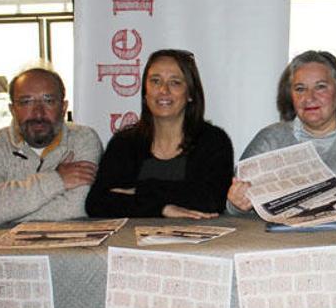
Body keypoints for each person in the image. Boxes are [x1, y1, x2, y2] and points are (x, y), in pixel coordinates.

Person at [227, 50, 336, 220]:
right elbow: (233, 206)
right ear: (290, 95)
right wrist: (236, 203)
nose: (309, 97)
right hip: (286, 245)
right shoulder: (269, 139)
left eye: (320, 87)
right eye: (300, 89)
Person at [86, 49, 233, 218]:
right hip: (130, 242)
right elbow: (97, 203)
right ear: (145, 92)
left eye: (175, 82)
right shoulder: (124, 143)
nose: (163, 90)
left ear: (191, 93)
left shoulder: (213, 141)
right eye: (155, 81)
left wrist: (141, 189)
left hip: (196, 243)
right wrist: (162, 209)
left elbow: (212, 200)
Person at [0, 66, 102, 227]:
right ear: (12, 109)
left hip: (69, 250)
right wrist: (57, 180)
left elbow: (77, 208)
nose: (38, 113)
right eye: (26, 102)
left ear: (63, 107)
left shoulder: (83, 139)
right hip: (5, 252)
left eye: (48, 101)